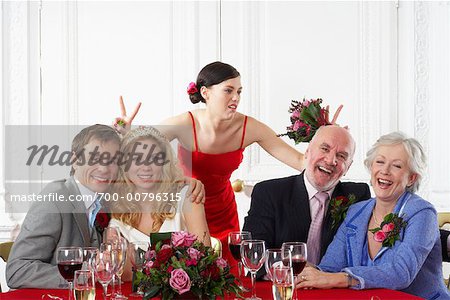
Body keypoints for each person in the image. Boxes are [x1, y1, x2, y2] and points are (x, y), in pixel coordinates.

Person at [115, 61, 342, 263]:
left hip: (223, 213)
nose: (236, 98)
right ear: (205, 93)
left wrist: (326, 136)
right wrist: (123, 133)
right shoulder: (184, 123)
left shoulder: (250, 127)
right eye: (229, 90)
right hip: (186, 208)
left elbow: (300, 161)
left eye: (239, 92)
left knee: (224, 277)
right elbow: (139, 150)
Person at [297, 132, 449, 299]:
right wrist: (311, 273)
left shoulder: (422, 213)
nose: (384, 171)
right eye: (380, 162)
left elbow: (401, 272)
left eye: (396, 166)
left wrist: (341, 279)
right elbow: (330, 268)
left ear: (411, 178)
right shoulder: (356, 212)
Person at [242, 125, 371, 275]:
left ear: (348, 167)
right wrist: (290, 270)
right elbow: (254, 254)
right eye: (324, 149)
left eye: (341, 156)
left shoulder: (357, 196)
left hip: (333, 289)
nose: (331, 160)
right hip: (284, 287)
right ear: (308, 151)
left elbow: (362, 256)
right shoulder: (269, 193)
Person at [6, 124, 120, 289]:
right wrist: (85, 273)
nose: (103, 168)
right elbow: (17, 271)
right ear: (74, 161)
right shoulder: (53, 200)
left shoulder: (104, 200)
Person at [108, 126, 211, 281]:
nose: (146, 167)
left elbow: (207, 264)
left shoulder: (188, 196)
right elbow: (120, 275)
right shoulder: (115, 210)